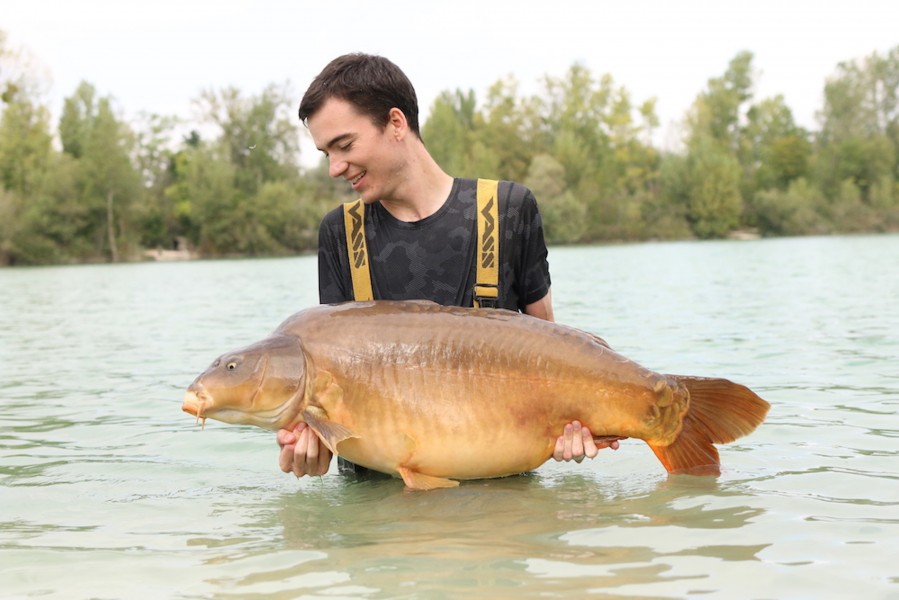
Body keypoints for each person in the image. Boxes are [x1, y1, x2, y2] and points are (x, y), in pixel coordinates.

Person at [277, 53, 621, 479]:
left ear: (396, 124)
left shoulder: (510, 209)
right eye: (326, 152)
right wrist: (312, 448)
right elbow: (334, 398)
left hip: (497, 501)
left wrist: (574, 430)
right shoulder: (339, 234)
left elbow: (551, 350)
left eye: (345, 146)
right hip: (378, 505)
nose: (334, 168)